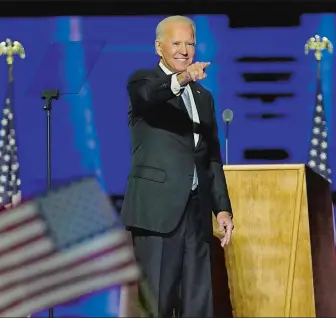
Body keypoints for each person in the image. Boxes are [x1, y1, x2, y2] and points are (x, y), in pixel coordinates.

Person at [120, 15, 234, 317]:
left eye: (190, 43)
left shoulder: (204, 97)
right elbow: (149, 96)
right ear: (159, 47)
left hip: (196, 215)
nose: (185, 50)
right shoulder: (143, 82)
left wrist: (222, 208)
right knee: (155, 305)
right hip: (157, 215)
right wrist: (183, 79)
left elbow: (210, 156)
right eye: (177, 43)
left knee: (199, 304)